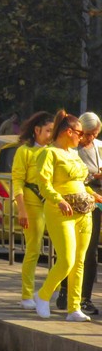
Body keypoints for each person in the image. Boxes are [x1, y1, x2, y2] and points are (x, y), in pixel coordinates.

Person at [33, 110, 102, 322]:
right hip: (61, 211)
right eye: (79, 133)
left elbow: (80, 183)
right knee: (67, 259)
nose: (82, 138)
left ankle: (74, 308)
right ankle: (43, 295)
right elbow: (44, 184)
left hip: (83, 210)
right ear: (68, 131)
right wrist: (58, 200)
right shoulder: (49, 153)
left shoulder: (73, 154)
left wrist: (93, 194)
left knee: (80, 260)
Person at [56, 111, 102, 314]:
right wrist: (93, 176)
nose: (90, 138)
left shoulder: (98, 147)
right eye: (88, 134)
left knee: (90, 251)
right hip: (74, 200)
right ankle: (65, 290)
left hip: (95, 201)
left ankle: (85, 298)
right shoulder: (70, 149)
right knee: (71, 250)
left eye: (95, 134)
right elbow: (68, 177)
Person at [11, 111, 53, 310]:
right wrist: (22, 210)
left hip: (52, 201)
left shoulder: (54, 151)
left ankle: (54, 292)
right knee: (34, 249)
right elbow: (17, 181)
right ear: (37, 130)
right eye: (48, 130)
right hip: (32, 201)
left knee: (64, 251)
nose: (50, 135)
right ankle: (27, 294)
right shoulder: (24, 151)